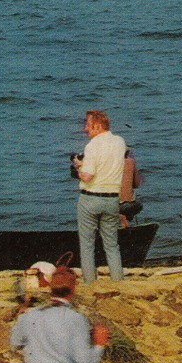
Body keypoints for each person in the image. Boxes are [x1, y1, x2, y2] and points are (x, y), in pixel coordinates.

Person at [9, 266, 109, 363]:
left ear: (50, 287)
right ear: (73, 288)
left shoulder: (31, 315)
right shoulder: (77, 319)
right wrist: (99, 344)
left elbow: (15, 342)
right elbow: (84, 361)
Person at [72, 110, 127, 284]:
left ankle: (90, 283)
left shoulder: (92, 146)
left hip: (91, 198)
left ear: (96, 125)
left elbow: (87, 176)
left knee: (87, 245)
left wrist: (79, 166)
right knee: (112, 245)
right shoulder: (120, 142)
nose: (85, 129)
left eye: (87, 125)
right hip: (112, 198)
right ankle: (118, 282)